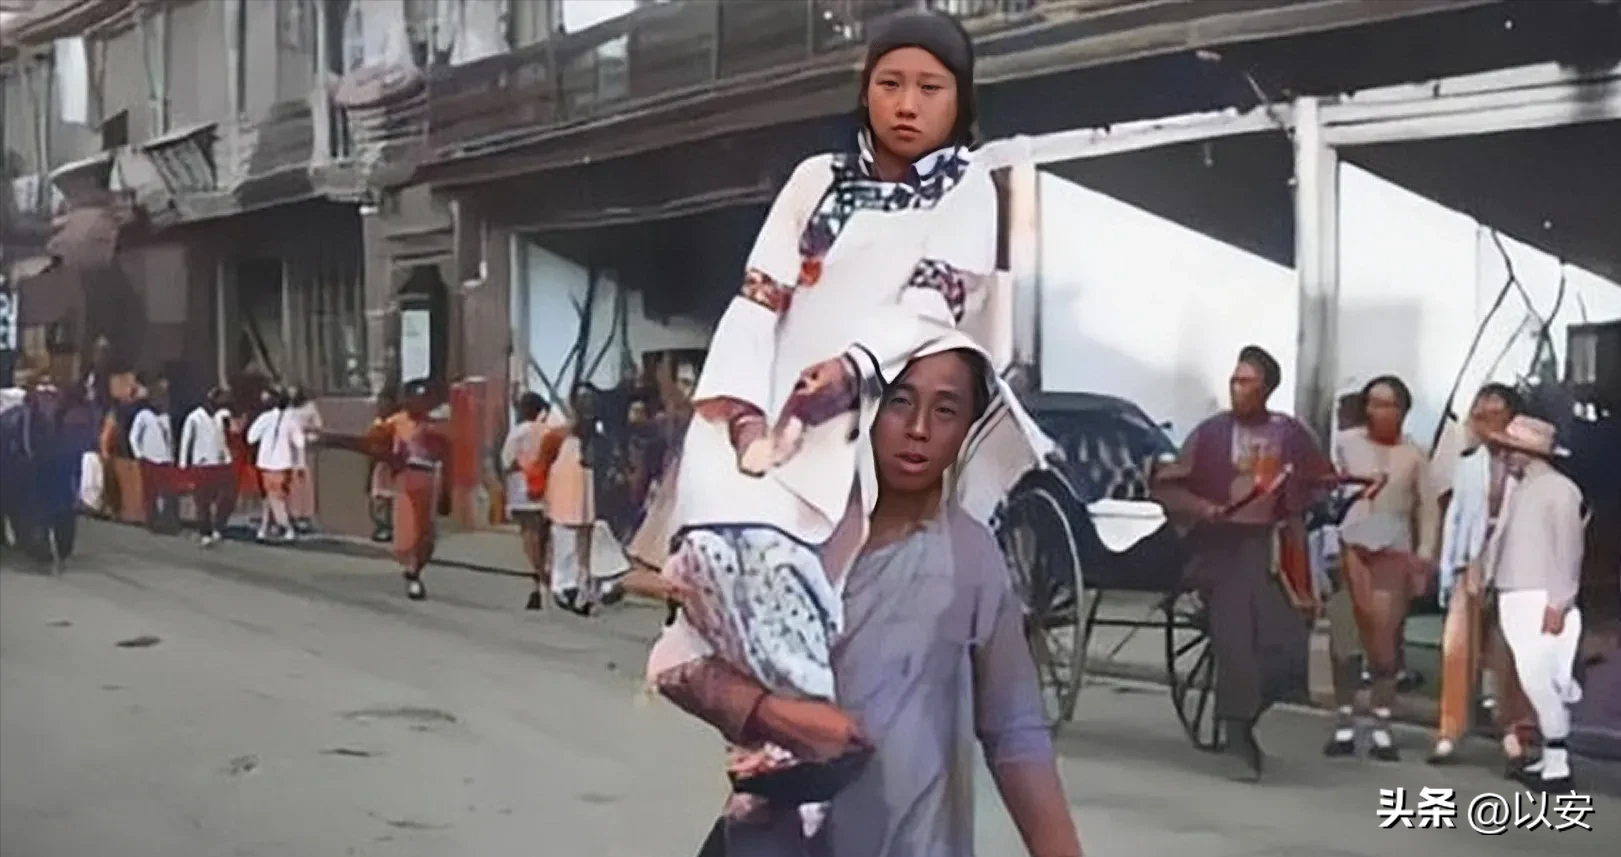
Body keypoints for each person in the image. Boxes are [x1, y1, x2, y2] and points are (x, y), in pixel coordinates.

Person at [645, 10, 1058, 844]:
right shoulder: (816, 180)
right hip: (776, 428)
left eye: (930, 88)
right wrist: (743, 413)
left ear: (961, 100)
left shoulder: (965, 190)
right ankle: (787, 784)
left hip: (851, 410)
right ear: (863, 90)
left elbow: (928, 306)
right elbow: (759, 299)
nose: (906, 104)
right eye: (889, 84)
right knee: (721, 556)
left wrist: (857, 372)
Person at [657, 349, 1081, 857]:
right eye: (900, 401)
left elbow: (1014, 728)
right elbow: (677, 660)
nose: (919, 429)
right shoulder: (783, 538)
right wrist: (769, 713)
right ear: (865, 403)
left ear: (970, 425)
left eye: (946, 410)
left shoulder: (972, 556)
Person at [1152, 345, 1334, 781]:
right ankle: (1237, 734)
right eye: (1235, 381)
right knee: (1237, 643)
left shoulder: (1289, 433)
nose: (1238, 389)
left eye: (1248, 382)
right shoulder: (1211, 433)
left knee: (1290, 648)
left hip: (1275, 549)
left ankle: (1250, 712)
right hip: (1220, 550)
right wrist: (1202, 508)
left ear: (1267, 388)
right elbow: (1169, 485)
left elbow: (1318, 481)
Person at [1322, 375, 1437, 760]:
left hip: (1393, 555)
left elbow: (1428, 510)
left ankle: (1381, 724)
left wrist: (1424, 557)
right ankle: (1344, 721)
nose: (1378, 412)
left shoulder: (1415, 456)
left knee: (1384, 646)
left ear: (1402, 411)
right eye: (1372, 403)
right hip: (1350, 551)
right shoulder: (1346, 445)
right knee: (1344, 643)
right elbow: (1327, 494)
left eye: (1387, 405)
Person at [1427, 383, 1537, 770]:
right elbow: (1455, 520)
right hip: (1470, 563)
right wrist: (1448, 570)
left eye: (1495, 408)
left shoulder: (1527, 465)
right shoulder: (1468, 463)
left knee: (1509, 653)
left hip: (1512, 565)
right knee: (1457, 650)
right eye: (1481, 409)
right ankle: (1449, 731)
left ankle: (1513, 734)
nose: (1486, 415)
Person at [1487, 415, 1586, 791]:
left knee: (1540, 679)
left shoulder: (1560, 490)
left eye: (1512, 449)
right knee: (1533, 677)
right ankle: (1550, 757)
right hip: (1516, 590)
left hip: (1540, 594)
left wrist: (1559, 601)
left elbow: (1569, 550)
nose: (1506, 455)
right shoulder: (1521, 488)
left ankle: (1558, 763)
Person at [362, 379, 447, 600]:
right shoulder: (397, 422)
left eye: (423, 399)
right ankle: (412, 572)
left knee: (427, 534)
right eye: (414, 398)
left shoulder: (435, 424)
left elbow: (447, 453)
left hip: (430, 476)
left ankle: (417, 566)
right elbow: (375, 441)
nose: (419, 403)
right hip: (406, 475)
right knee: (409, 529)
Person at [501, 391, 553, 610]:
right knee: (543, 534)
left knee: (528, 533)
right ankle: (545, 573)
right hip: (546, 486)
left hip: (522, 488)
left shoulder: (518, 432)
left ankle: (539, 576)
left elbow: (507, 461)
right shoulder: (548, 431)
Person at [180, 387, 237, 546]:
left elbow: (229, 434)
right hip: (202, 463)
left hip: (222, 462)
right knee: (202, 500)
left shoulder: (223, 415)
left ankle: (219, 528)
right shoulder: (194, 417)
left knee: (227, 497)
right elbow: (186, 440)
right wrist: (183, 463)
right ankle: (205, 532)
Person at [246, 388, 303, 544]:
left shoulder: (265, 418)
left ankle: (286, 527)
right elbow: (299, 442)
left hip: (266, 463)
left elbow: (251, 438)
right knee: (274, 496)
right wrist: (299, 462)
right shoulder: (291, 420)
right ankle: (264, 528)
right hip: (284, 463)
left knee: (271, 496)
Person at [128, 387, 178, 534]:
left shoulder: (165, 418)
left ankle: (168, 521)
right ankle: (152, 521)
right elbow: (133, 436)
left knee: (168, 492)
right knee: (150, 492)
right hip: (149, 459)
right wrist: (139, 455)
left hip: (165, 460)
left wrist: (171, 456)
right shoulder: (144, 416)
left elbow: (169, 439)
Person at [286, 385, 323, 532]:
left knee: (303, 483)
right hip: (287, 450)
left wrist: (307, 437)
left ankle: (304, 515)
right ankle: (289, 514)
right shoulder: (286, 407)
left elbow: (317, 426)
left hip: (304, 451)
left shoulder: (309, 407)